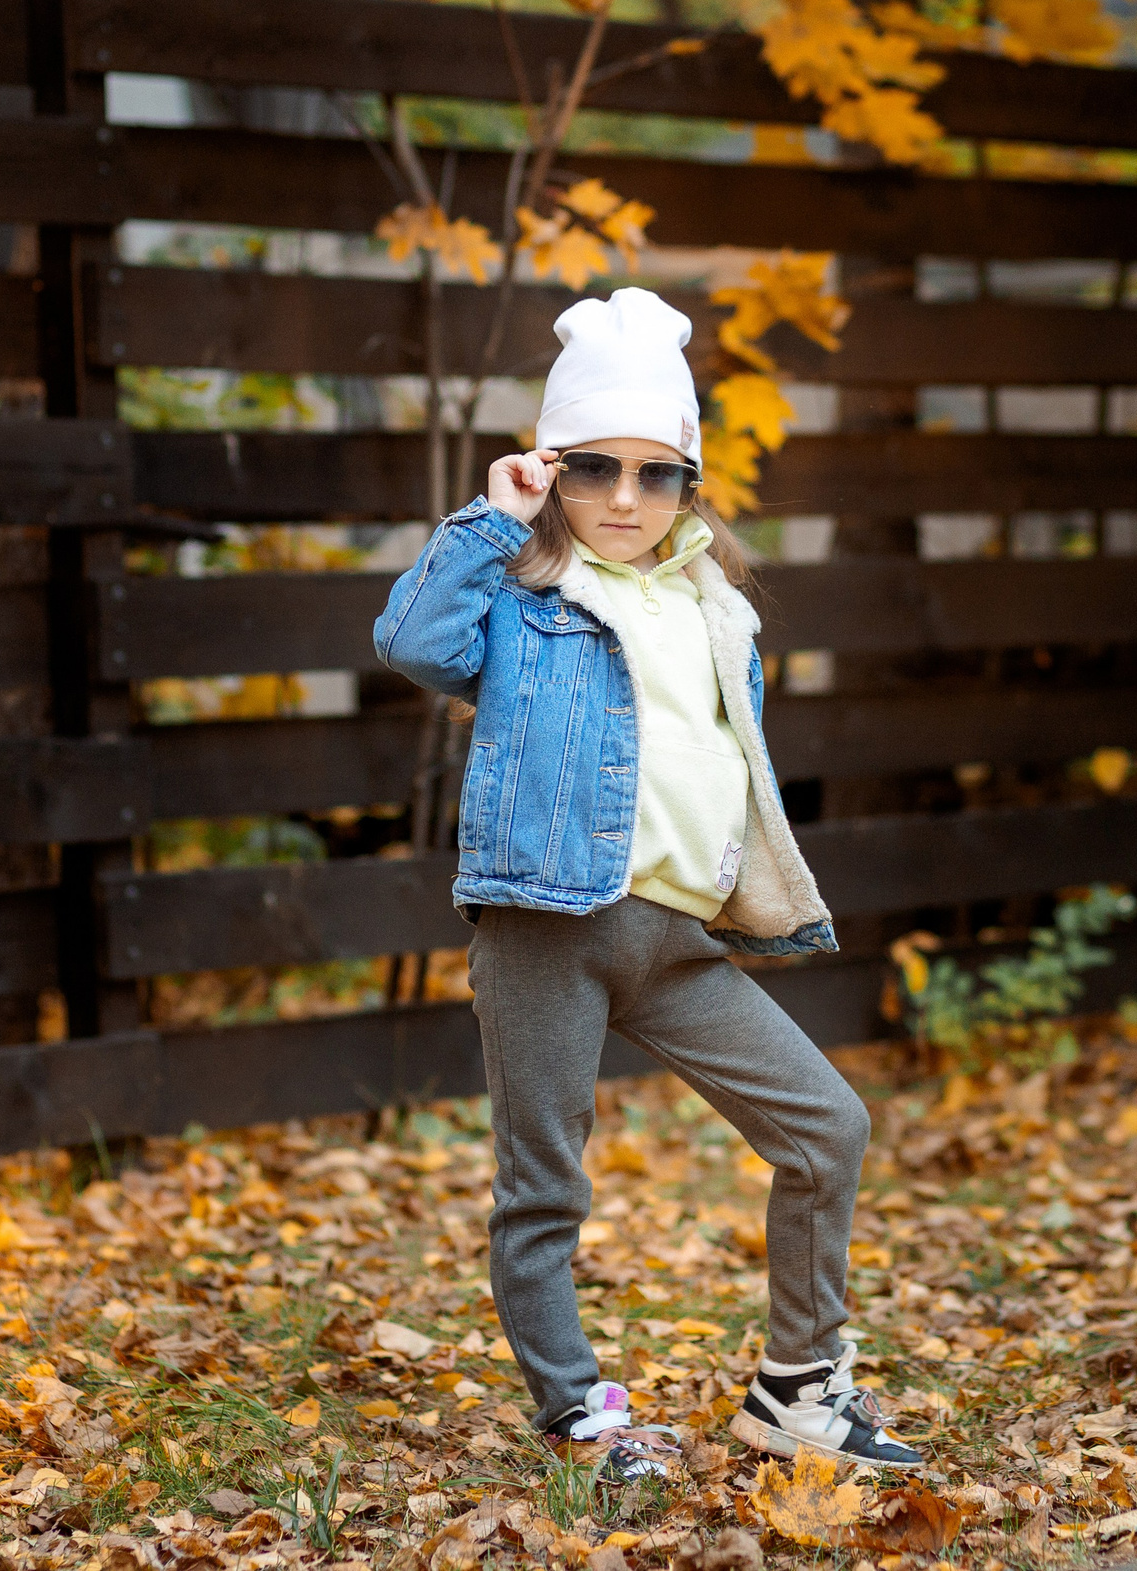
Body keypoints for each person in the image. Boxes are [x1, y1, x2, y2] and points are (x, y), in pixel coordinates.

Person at [374, 287, 924, 1481]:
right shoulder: (525, 607)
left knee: (827, 1126)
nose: (623, 498)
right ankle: (579, 1413)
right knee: (545, 1186)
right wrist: (489, 514)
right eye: (592, 468)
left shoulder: (714, 611)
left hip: (673, 938)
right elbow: (411, 643)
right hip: (546, 932)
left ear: (689, 485)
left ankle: (797, 1390)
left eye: (654, 473)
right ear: (553, 469)